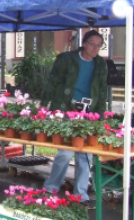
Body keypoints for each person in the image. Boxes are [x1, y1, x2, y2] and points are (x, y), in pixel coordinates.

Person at [40, 29, 108, 209]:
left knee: (86, 154)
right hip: (65, 108)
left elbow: (102, 91)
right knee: (65, 151)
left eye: (99, 45)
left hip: (88, 112)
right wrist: (43, 105)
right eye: (92, 43)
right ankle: (51, 187)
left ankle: (81, 194)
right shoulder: (66, 59)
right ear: (84, 43)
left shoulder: (101, 64)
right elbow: (52, 81)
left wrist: (100, 115)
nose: (95, 48)